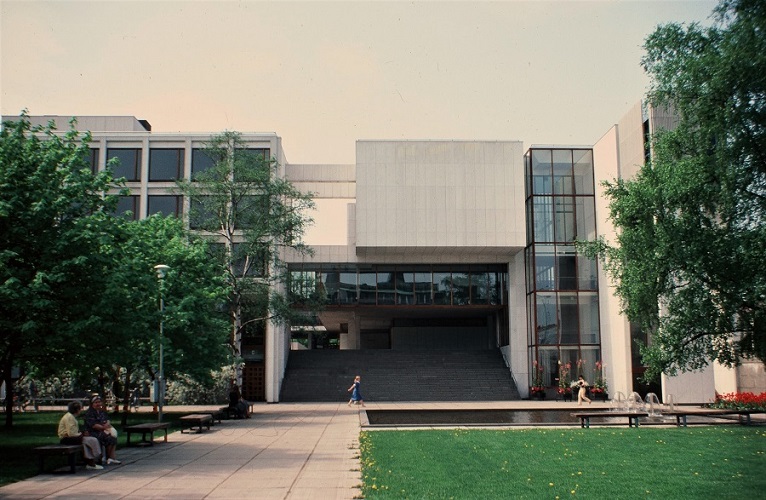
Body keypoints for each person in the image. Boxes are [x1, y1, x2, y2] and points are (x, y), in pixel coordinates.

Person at [58, 401, 103, 470]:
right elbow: (71, 433)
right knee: (91, 440)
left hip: (71, 437)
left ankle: (91, 463)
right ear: (77, 410)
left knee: (87, 442)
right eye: (80, 409)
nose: (81, 410)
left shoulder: (71, 416)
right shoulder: (69, 417)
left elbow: (73, 431)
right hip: (66, 439)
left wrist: (82, 433)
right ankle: (96, 457)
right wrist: (82, 435)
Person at [83, 395, 121, 464]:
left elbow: (107, 420)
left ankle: (111, 458)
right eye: (96, 402)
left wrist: (107, 424)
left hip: (102, 430)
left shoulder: (101, 412)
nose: (98, 404)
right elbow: (94, 425)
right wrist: (104, 427)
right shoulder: (89, 413)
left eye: (99, 402)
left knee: (113, 437)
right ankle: (105, 457)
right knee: (108, 437)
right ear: (92, 404)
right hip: (92, 432)